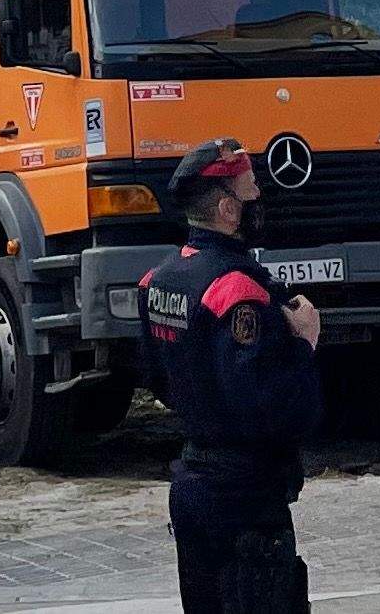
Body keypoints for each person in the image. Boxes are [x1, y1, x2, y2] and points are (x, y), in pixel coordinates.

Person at [139, 138, 322, 614]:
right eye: (251, 191)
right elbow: (269, 404)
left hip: (194, 482)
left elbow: (158, 379)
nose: (260, 199)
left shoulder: (158, 279)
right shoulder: (237, 288)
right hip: (245, 495)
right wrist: (304, 344)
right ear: (226, 209)